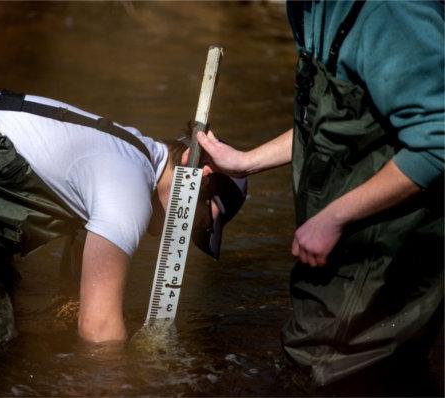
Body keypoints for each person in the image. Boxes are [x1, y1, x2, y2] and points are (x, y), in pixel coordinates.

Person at [0, 87, 247, 348]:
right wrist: (135, 383)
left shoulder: (133, 152)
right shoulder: (128, 190)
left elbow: (74, 292)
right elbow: (99, 332)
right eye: (202, 224)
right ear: (201, 178)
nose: (178, 237)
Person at [187, 0, 444, 390]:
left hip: (384, 253)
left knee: (320, 373)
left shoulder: (394, 13)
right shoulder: (305, 8)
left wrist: (334, 217)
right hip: (339, 252)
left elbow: (437, 144)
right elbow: (332, 122)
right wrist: (245, 162)